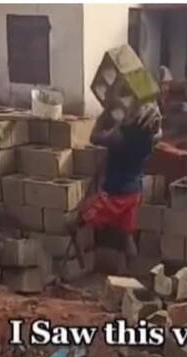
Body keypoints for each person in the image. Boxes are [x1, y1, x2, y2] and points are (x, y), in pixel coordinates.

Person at [69, 103, 162, 268]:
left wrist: (105, 114)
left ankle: (77, 262)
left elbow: (94, 137)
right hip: (133, 195)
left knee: (76, 221)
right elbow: (158, 131)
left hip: (113, 197)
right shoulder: (151, 138)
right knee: (126, 237)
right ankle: (131, 275)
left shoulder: (118, 138)